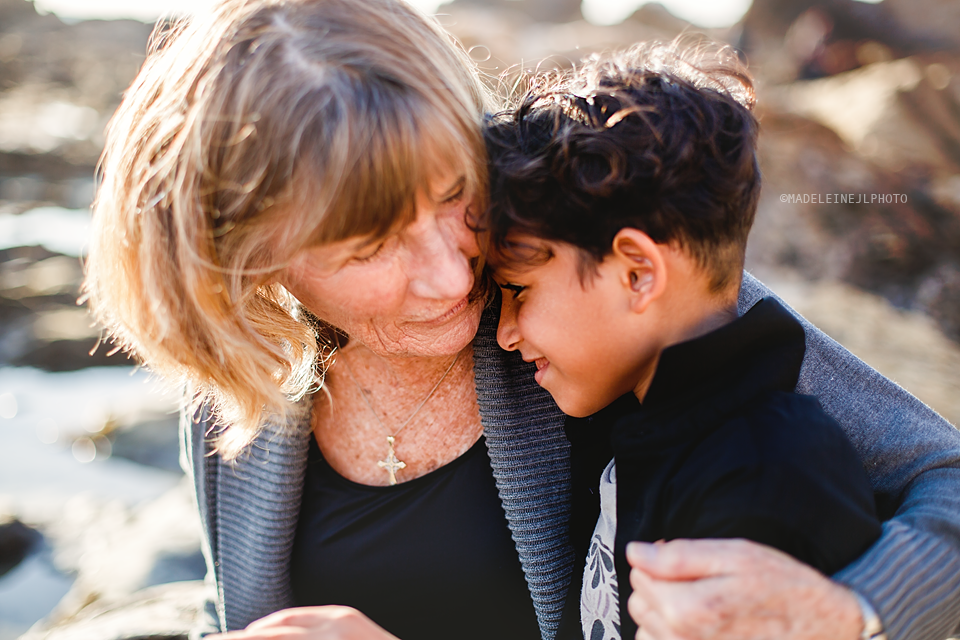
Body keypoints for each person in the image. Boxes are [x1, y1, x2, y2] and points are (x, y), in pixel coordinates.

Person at [81, 0, 960, 638]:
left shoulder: (593, 280)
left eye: (455, 195)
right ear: (247, 265)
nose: (452, 273)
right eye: (370, 246)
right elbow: (229, 602)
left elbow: (944, 476)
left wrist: (854, 611)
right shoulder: (240, 375)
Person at [483, 41, 884, 640]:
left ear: (638, 275)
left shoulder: (767, 473)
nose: (505, 335)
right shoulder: (636, 422)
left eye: (519, 291)